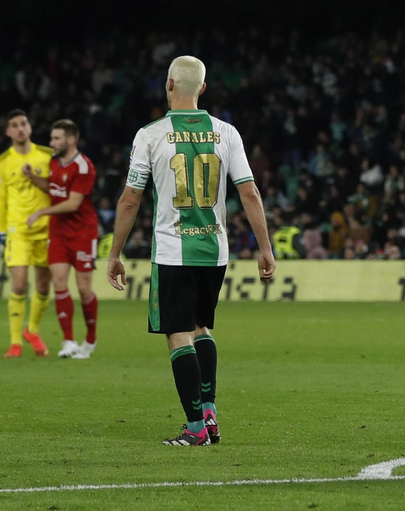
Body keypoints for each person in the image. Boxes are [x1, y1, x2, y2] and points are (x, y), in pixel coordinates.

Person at [105, 55, 276, 446]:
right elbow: (248, 191)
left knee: (178, 334)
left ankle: (196, 426)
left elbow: (131, 199)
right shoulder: (226, 133)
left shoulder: (150, 134)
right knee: (202, 328)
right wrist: (265, 248)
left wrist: (115, 254)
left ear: (168, 85)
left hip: (173, 251)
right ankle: (210, 410)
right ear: (202, 88)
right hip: (215, 250)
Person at [24, 120, 101, 359]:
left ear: (70, 140)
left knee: (84, 288)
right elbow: (54, 189)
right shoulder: (54, 163)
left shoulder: (84, 166)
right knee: (58, 283)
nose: (52, 143)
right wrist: (33, 178)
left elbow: (73, 203)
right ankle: (68, 340)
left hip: (82, 233)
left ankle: (90, 338)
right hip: (58, 233)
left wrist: (40, 213)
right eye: (52, 138)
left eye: (56, 138)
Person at [0, 109, 54, 358]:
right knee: (18, 284)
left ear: (30, 127)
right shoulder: (2, 164)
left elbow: (58, 190)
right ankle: (15, 342)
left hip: (46, 229)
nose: (19, 128)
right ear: (8, 132)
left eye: (23, 123)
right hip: (17, 231)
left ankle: (32, 331)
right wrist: (2, 235)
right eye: (14, 125)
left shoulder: (48, 157)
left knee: (44, 286)